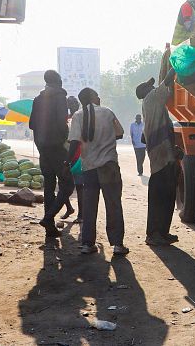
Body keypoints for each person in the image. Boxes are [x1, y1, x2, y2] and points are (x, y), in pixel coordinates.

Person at [67, 88, 129, 255]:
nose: (99, 97)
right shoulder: (108, 112)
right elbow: (120, 133)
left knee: (89, 206)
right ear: (92, 98)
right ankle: (117, 244)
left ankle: (88, 243)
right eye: (96, 95)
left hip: (89, 167)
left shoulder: (78, 116)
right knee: (113, 204)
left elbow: (74, 142)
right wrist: (105, 137)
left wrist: (66, 161)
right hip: (108, 165)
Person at [136, 69, 181, 246]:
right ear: (147, 90)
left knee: (167, 196)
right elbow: (168, 80)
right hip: (161, 159)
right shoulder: (152, 98)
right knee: (161, 196)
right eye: (151, 86)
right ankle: (154, 234)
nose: (154, 86)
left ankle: (162, 232)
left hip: (162, 156)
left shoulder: (151, 105)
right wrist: (175, 63)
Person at [29, 70, 74, 237]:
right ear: (58, 81)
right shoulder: (59, 97)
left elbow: (32, 124)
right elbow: (63, 124)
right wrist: (64, 139)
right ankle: (48, 218)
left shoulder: (38, 99)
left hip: (42, 148)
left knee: (49, 186)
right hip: (57, 148)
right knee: (68, 185)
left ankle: (50, 228)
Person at [63, 95, 83, 223]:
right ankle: (70, 208)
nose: (72, 106)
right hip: (66, 154)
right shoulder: (66, 119)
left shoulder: (80, 117)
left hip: (77, 155)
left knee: (79, 186)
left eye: (74, 103)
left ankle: (81, 214)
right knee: (64, 184)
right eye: (69, 104)